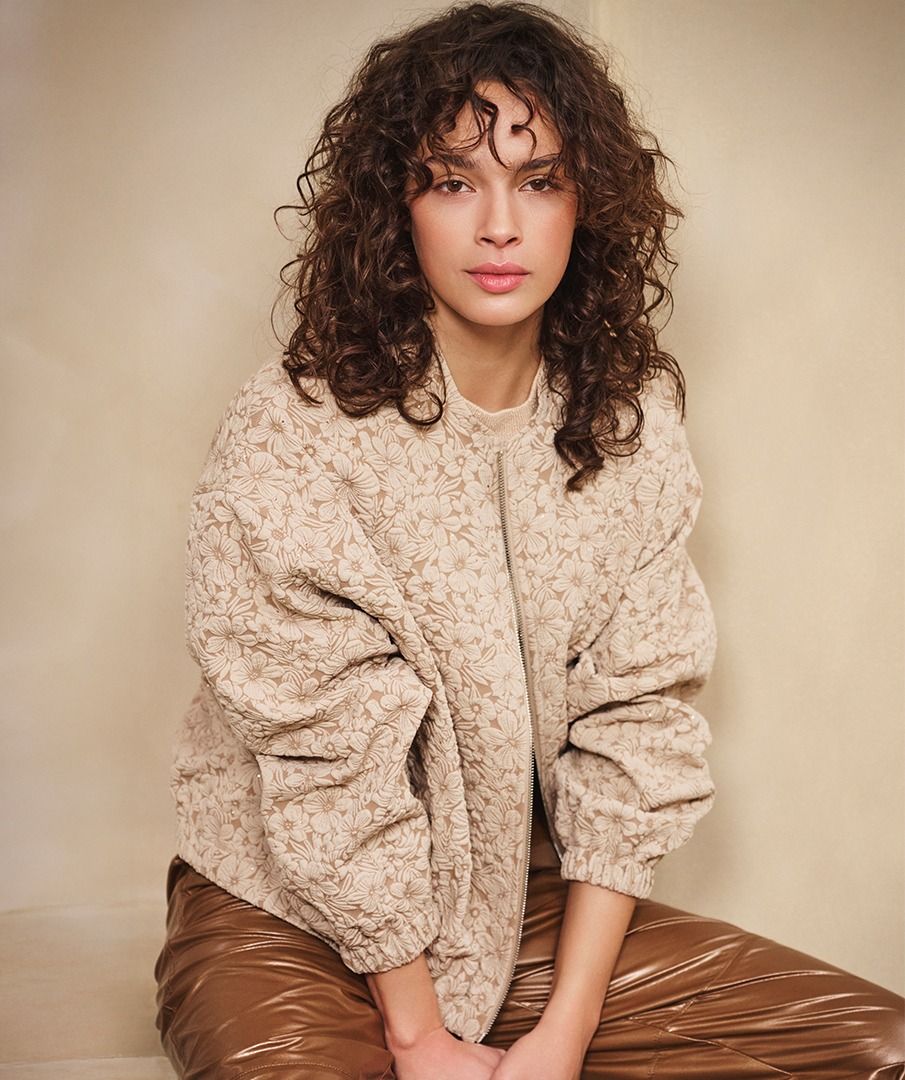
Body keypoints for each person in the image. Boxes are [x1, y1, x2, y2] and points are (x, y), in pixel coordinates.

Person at [153, 3, 905, 1077]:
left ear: (585, 203)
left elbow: (634, 727)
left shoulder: (629, 423)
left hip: (517, 910)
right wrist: (417, 1034)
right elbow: (325, 770)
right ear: (395, 206)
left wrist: (565, 1033)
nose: (499, 226)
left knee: (881, 1048)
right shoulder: (297, 427)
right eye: (453, 182)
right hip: (284, 915)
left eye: (539, 180)